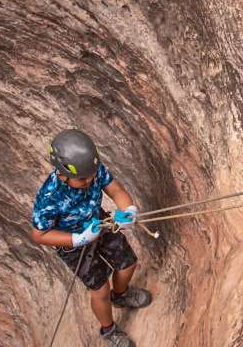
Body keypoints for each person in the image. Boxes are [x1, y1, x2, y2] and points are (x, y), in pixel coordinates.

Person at [31, 129, 151, 347]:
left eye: (92, 174)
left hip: (99, 223)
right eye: (83, 178)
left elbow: (115, 190)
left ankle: (121, 296)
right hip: (73, 245)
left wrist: (129, 209)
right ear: (62, 173)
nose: (90, 180)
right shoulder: (49, 197)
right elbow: (40, 234)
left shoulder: (92, 170)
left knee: (127, 264)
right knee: (100, 290)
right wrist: (78, 239)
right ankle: (109, 330)